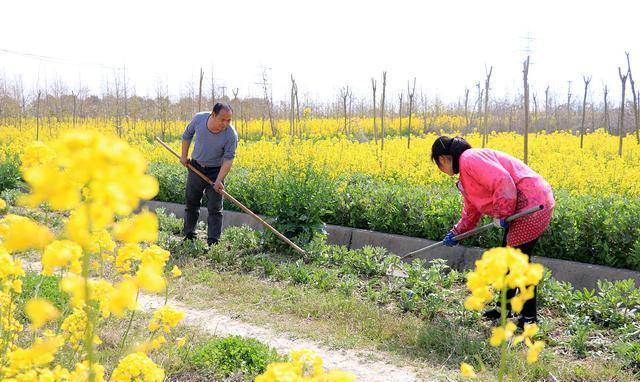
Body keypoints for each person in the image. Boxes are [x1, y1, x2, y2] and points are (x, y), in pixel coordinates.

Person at [431, 136, 555, 328]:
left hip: (532, 203)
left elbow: (503, 181)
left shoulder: (469, 158)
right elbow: (472, 211)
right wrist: (457, 232)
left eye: (438, 164)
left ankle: (529, 318)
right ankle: (504, 309)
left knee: (518, 263)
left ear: (443, 159)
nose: (441, 169)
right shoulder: (465, 174)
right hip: (523, 205)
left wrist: (502, 212)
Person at [180, 102, 238, 246]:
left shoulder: (231, 135)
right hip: (196, 167)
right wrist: (183, 155)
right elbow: (187, 135)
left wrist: (219, 180)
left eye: (229, 120)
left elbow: (228, 159)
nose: (225, 123)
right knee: (192, 203)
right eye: (222, 119)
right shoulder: (199, 119)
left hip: (216, 171)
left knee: (215, 208)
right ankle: (189, 236)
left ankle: (213, 242)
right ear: (213, 115)